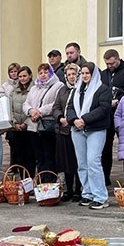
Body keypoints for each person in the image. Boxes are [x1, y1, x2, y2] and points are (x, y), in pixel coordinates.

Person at [66, 62, 113, 209]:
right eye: (83, 73)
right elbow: (70, 107)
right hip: (77, 130)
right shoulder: (77, 90)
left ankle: (100, 197)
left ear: (94, 74)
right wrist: (74, 120)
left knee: (93, 161)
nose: (85, 76)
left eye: (88, 73)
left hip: (95, 129)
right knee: (82, 164)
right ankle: (87, 193)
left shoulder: (103, 89)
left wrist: (84, 120)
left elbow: (103, 109)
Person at [100, 49, 124, 185]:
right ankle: (104, 177)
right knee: (105, 148)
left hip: (123, 115)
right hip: (107, 115)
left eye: (112, 63)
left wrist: (119, 101)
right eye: (107, 64)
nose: (109, 66)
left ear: (118, 59)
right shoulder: (103, 74)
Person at [23, 63, 61, 177]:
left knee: (49, 155)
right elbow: (26, 103)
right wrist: (31, 111)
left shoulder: (58, 86)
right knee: (38, 156)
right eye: (40, 73)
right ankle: (40, 180)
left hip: (47, 126)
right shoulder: (34, 88)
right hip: (33, 126)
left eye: (46, 72)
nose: (43, 75)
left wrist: (39, 111)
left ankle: (49, 180)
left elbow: (55, 104)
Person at [55, 63, 82, 201]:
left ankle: (78, 189)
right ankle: (68, 190)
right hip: (64, 130)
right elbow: (56, 107)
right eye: (69, 74)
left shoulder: (82, 89)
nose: (71, 77)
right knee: (66, 162)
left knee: (78, 161)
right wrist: (60, 118)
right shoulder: (62, 90)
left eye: (73, 74)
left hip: (78, 130)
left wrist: (72, 120)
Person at [8, 65, 35, 175]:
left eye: (24, 76)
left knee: (30, 157)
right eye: (20, 76)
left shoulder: (34, 90)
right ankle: (23, 180)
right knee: (19, 156)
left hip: (29, 128)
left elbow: (34, 108)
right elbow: (10, 109)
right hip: (16, 129)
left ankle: (30, 178)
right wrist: (14, 123)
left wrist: (25, 123)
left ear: (30, 76)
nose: (22, 78)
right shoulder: (14, 91)